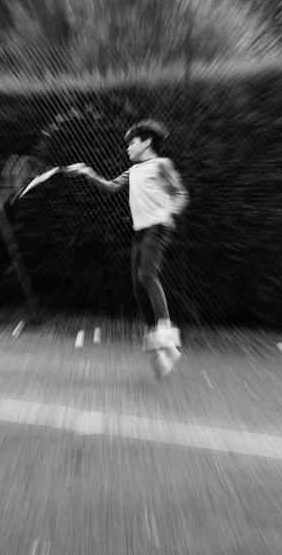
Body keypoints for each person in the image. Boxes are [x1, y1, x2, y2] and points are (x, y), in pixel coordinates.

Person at [68, 120, 189, 378]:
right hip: (141, 232)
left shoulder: (161, 165)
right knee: (137, 285)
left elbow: (180, 195)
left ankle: (165, 335)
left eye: (132, 142)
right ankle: (159, 346)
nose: (128, 148)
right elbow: (110, 187)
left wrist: (169, 211)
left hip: (159, 227)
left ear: (146, 142)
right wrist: (88, 173)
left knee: (147, 275)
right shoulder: (133, 172)